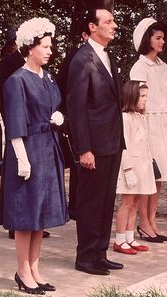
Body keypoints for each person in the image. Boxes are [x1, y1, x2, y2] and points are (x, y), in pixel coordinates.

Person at [0, 18, 68, 294]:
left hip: (47, 147)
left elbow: (54, 102)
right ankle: (22, 270)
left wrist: (58, 115)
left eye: (51, 46)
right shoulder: (16, 81)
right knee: (26, 215)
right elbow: (15, 122)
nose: (50, 51)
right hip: (27, 150)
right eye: (45, 46)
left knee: (41, 214)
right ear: (30, 48)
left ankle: (35, 269)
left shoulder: (47, 76)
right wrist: (22, 158)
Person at [66, 8, 125, 275]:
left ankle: (100, 252)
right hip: (94, 145)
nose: (114, 25)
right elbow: (76, 107)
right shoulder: (82, 59)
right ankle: (86, 257)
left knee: (105, 200)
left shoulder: (108, 55)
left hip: (112, 140)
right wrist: (83, 148)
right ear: (92, 26)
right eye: (108, 21)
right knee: (91, 201)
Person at [0, 27, 51, 240]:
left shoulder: (38, 66)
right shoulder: (8, 65)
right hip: (16, 124)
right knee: (18, 177)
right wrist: (9, 124)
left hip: (36, 130)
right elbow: (3, 95)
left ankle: (34, 220)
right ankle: (16, 222)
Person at [130, 18, 167, 243]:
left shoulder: (163, 65)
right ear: (147, 39)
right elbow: (137, 100)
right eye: (158, 38)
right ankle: (143, 223)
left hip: (164, 125)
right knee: (147, 175)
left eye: (163, 38)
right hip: (148, 125)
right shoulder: (140, 66)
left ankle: (152, 220)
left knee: (159, 176)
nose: (162, 41)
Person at [114, 81, 155, 255]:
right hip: (130, 167)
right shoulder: (125, 118)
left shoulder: (141, 117)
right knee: (127, 202)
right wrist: (128, 169)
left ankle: (130, 237)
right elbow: (124, 145)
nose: (145, 100)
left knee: (136, 201)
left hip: (143, 165)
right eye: (142, 96)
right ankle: (119, 239)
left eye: (147, 96)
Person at [56, 22, 89, 220]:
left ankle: (82, 205)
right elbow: (62, 85)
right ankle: (75, 206)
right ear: (85, 34)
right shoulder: (76, 57)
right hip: (75, 117)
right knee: (79, 164)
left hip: (92, 119)